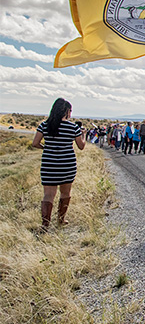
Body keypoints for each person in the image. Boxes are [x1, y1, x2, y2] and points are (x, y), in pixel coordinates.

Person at [32, 98, 86, 231]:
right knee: (65, 193)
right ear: (67, 111)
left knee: (48, 194)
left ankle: (45, 224)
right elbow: (81, 146)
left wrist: (46, 148)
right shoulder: (73, 127)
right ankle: (61, 220)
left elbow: (35, 143)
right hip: (67, 164)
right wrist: (84, 135)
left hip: (49, 164)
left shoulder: (45, 125)